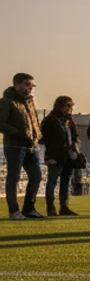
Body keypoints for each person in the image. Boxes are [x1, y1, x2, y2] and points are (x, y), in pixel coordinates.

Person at [1, 73, 43, 219]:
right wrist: (19, 134)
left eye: (31, 85)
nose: (30, 88)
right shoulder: (7, 101)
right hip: (15, 146)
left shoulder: (31, 102)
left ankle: (29, 209)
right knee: (14, 177)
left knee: (36, 176)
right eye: (27, 85)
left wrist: (37, 136)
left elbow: (34, 122)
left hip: (31, 146)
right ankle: (14, 211)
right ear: (17, 84)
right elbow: (1, 123)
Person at [39, 95, 81, 216]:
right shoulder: (50, 120)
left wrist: (75, 147)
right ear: (60, 106)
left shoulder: (69, 120)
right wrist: (48, 157)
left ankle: (64, 206)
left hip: (68, 156)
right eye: (67, 106)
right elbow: (44, 140)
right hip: (55, 155)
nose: (70, 109)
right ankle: (51, 207)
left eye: (71, 106)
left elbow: (75, 135)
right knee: (52, 181)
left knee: (65, 182)